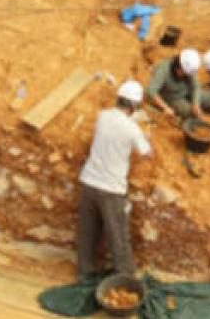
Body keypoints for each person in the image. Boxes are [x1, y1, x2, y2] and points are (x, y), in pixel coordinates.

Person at [76, 81, 152, 279]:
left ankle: (84, 273)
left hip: (88, 183)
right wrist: (146, 134)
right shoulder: (132, 128)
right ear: (134, 107)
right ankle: (125, 279)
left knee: (87, 233)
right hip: (111, 189)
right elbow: (145, 152)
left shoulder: (103, 117)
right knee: (118, 237)